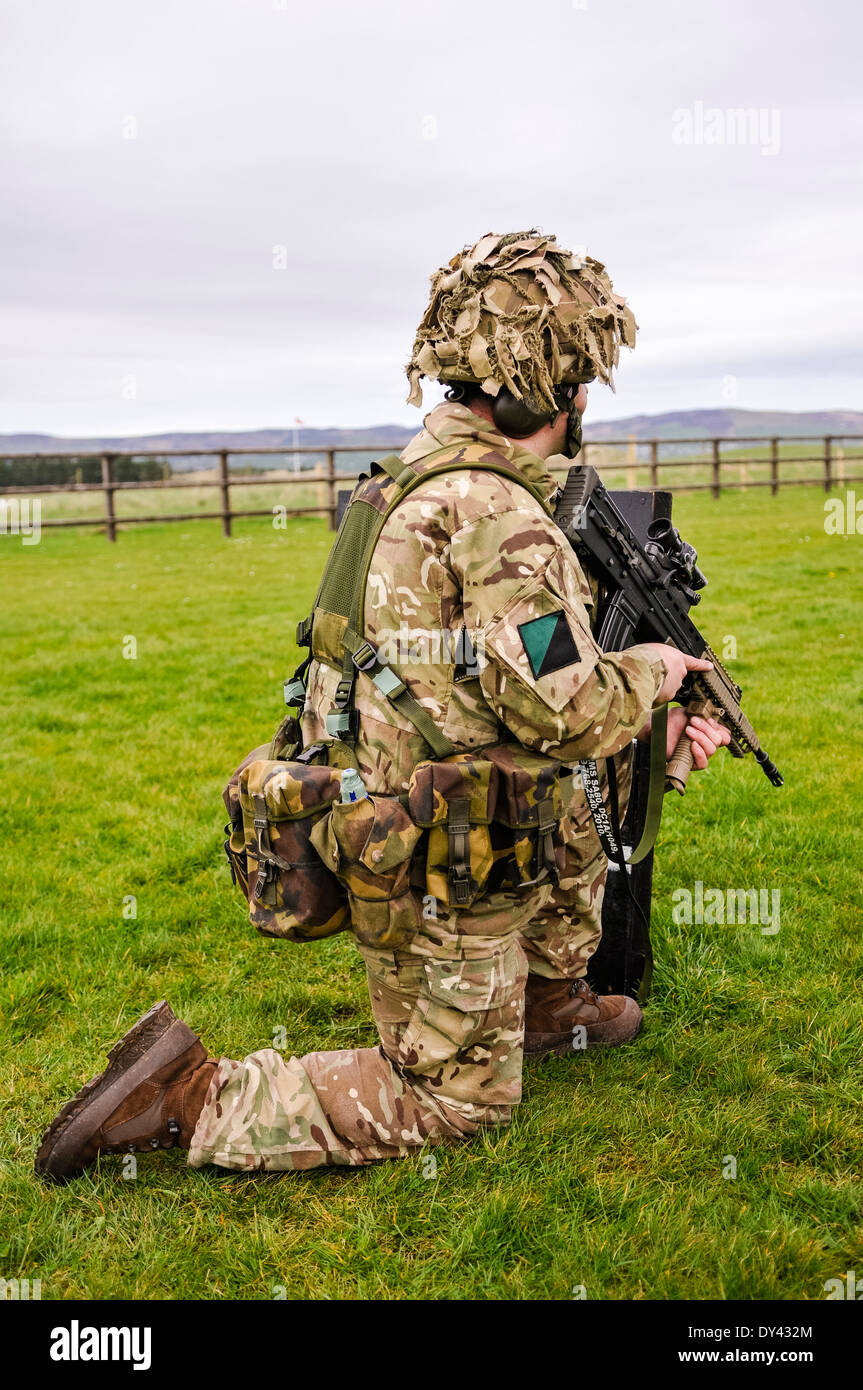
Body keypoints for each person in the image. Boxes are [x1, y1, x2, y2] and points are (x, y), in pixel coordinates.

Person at [36, 231, 729, 1181]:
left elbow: (494, 685)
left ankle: (545, 1001)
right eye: (580, 383)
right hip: (436, 860)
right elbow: (568, 713)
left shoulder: (403, 482)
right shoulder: (498, 513)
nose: (584, 405)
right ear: (554, 386)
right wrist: (653, 672)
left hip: (385, 815)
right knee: (454, 1103)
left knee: (568, 792)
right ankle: (189, 1098)